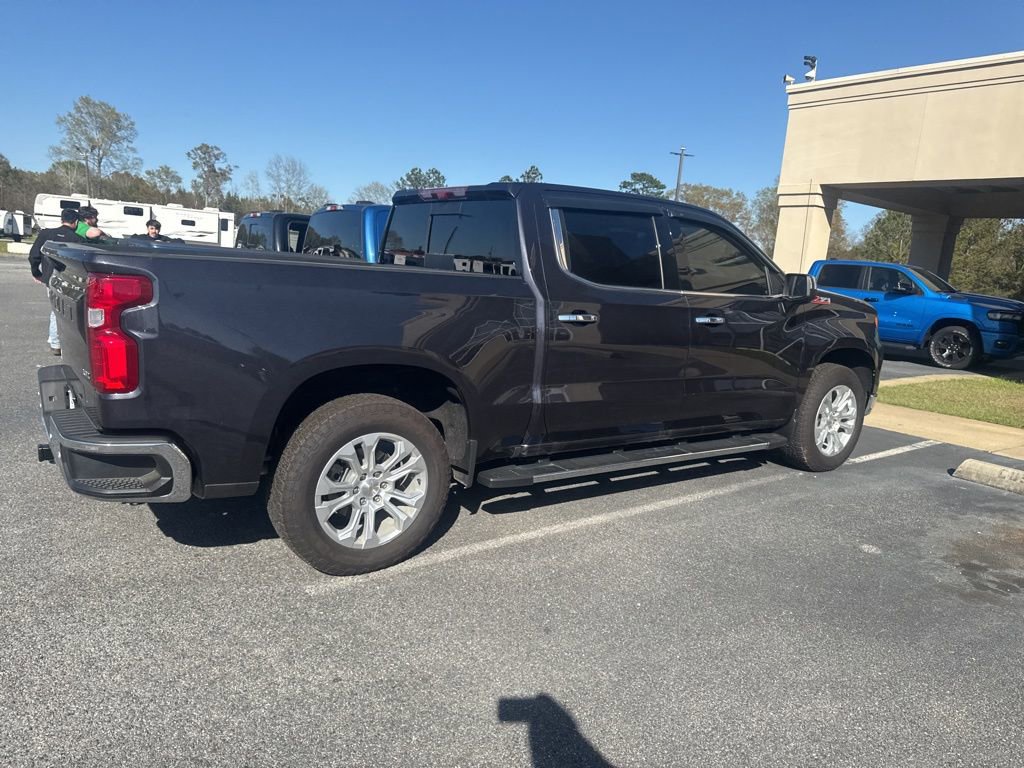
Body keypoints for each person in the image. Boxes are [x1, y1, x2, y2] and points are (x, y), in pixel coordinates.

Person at [29, 208, 87, 355]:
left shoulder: (46, 234)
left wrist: (37, 273)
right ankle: (62, 341)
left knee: (55, 310)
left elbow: (34, 255)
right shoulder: (78, 239)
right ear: (75, 222)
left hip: (50, 278)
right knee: (66, 311)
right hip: (69, 279)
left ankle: (55, 342)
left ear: (62, 219)